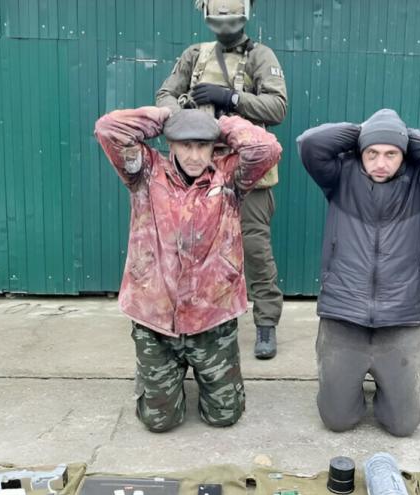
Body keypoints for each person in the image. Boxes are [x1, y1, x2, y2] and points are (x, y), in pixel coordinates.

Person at [94, 106, 282, 432]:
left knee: (224, 417)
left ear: (214, 146)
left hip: (212, 318)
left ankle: (199, 378)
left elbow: (267, 148)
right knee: (159, 422)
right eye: (185, 144)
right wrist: (166, 117)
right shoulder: (145, 172)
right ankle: (160, 377)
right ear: (171, 143)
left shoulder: (229, 177)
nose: (194, 156)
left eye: (202, 145)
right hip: (155, 320)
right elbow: (108, 128)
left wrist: (219, 125)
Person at [297, 109, 420, 437]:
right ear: (360, 152)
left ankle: (395, 380)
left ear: (404, 154)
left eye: (391, 154)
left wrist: (400, 133)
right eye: (372, 153)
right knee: (337, 421)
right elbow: (309, 143)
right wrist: (366, 130)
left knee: (403, 426)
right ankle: (349, 380)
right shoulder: (339, 177)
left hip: (399, 320)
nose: (380, 163)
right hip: (343, 317)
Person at [157, 0, 288, 359]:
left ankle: (266, 322)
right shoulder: (194, 55)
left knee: (255, 250)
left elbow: (277, 107)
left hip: (248, 172)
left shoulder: (260, 56)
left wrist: (230, 97)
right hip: (200, 169)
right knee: (193, 248)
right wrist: (186, 118)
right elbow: (165, 94)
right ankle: (197, 320)